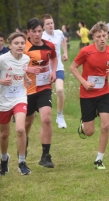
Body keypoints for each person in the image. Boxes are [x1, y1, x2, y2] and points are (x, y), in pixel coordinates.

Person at [70, 21, 109, 170]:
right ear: (93, 37)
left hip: (104, 93)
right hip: (87, 94)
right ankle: (83, 126)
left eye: (104, 36)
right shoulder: (86, 51)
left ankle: (99, 159)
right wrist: (84, 82)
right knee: (89, 132)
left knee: (105, 125)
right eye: (98, 36)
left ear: (108, 36)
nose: (102, 39)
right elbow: (73, 67)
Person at [24, 17, 57, 168]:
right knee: (26, 123)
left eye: (40, 31)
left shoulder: (49, 45)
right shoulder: (22, 47)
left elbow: (54, 58)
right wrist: (27, 69)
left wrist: (54, 71)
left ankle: (45, 156)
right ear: (28, 32)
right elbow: (11, 65)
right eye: (34, 31)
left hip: (44, 88)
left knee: (46, 119)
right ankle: (22, 148)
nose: (38, 34)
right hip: (26, 90)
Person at [0, 32, 32, 175]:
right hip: (3, 99)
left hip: (20, 97)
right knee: (4, 135)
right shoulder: (2, 59)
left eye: (22, 43)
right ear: (10, 45)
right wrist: (1, 81)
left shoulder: (26, 58)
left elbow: (21, 71)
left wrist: (26, 79)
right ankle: (4, 158)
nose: (20, 46)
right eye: (16, 43)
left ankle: (22, 162)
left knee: (20, 129)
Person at [41, 14, 68, 129]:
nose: (50, 25)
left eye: (51, 23)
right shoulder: (41, 37)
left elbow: (63, 41)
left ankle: (60, 115)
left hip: (58, 67)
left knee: (60, 90)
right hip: (45, 70)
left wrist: (65, 53)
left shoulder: (59, 33)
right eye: (47, 24)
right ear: (43, 26)